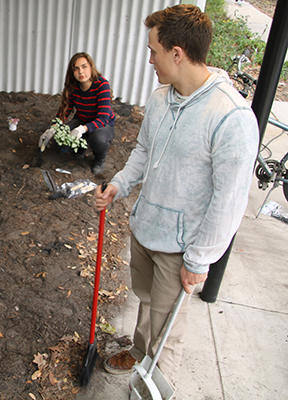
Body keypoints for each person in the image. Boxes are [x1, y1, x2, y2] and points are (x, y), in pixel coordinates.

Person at [95, 4, 258, 382]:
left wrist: (200, 259)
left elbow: (230, 199)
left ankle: (155, 382)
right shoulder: (159, 99)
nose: (150, 59)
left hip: (180, 246)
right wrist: (119, 184)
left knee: (168, 330)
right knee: (147, 303)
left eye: (153, 51)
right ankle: (138, 351)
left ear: (177, 53)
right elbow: (144, 152)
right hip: (148, 226)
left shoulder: (231, 117)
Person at [38, 52, 115, 175]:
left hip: (102, 124)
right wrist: (52, 130)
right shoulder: (73, 87)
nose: (81, 72)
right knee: (58, 140)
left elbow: (103, 117)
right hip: (82, 119)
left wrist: (81, 129)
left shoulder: (102, 85)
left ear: (91, 67)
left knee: (98, 139)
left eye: (84, 66)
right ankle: (81, 147)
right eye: (76, 69)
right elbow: (64, 111)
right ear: (72, 72)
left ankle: (100, 159)